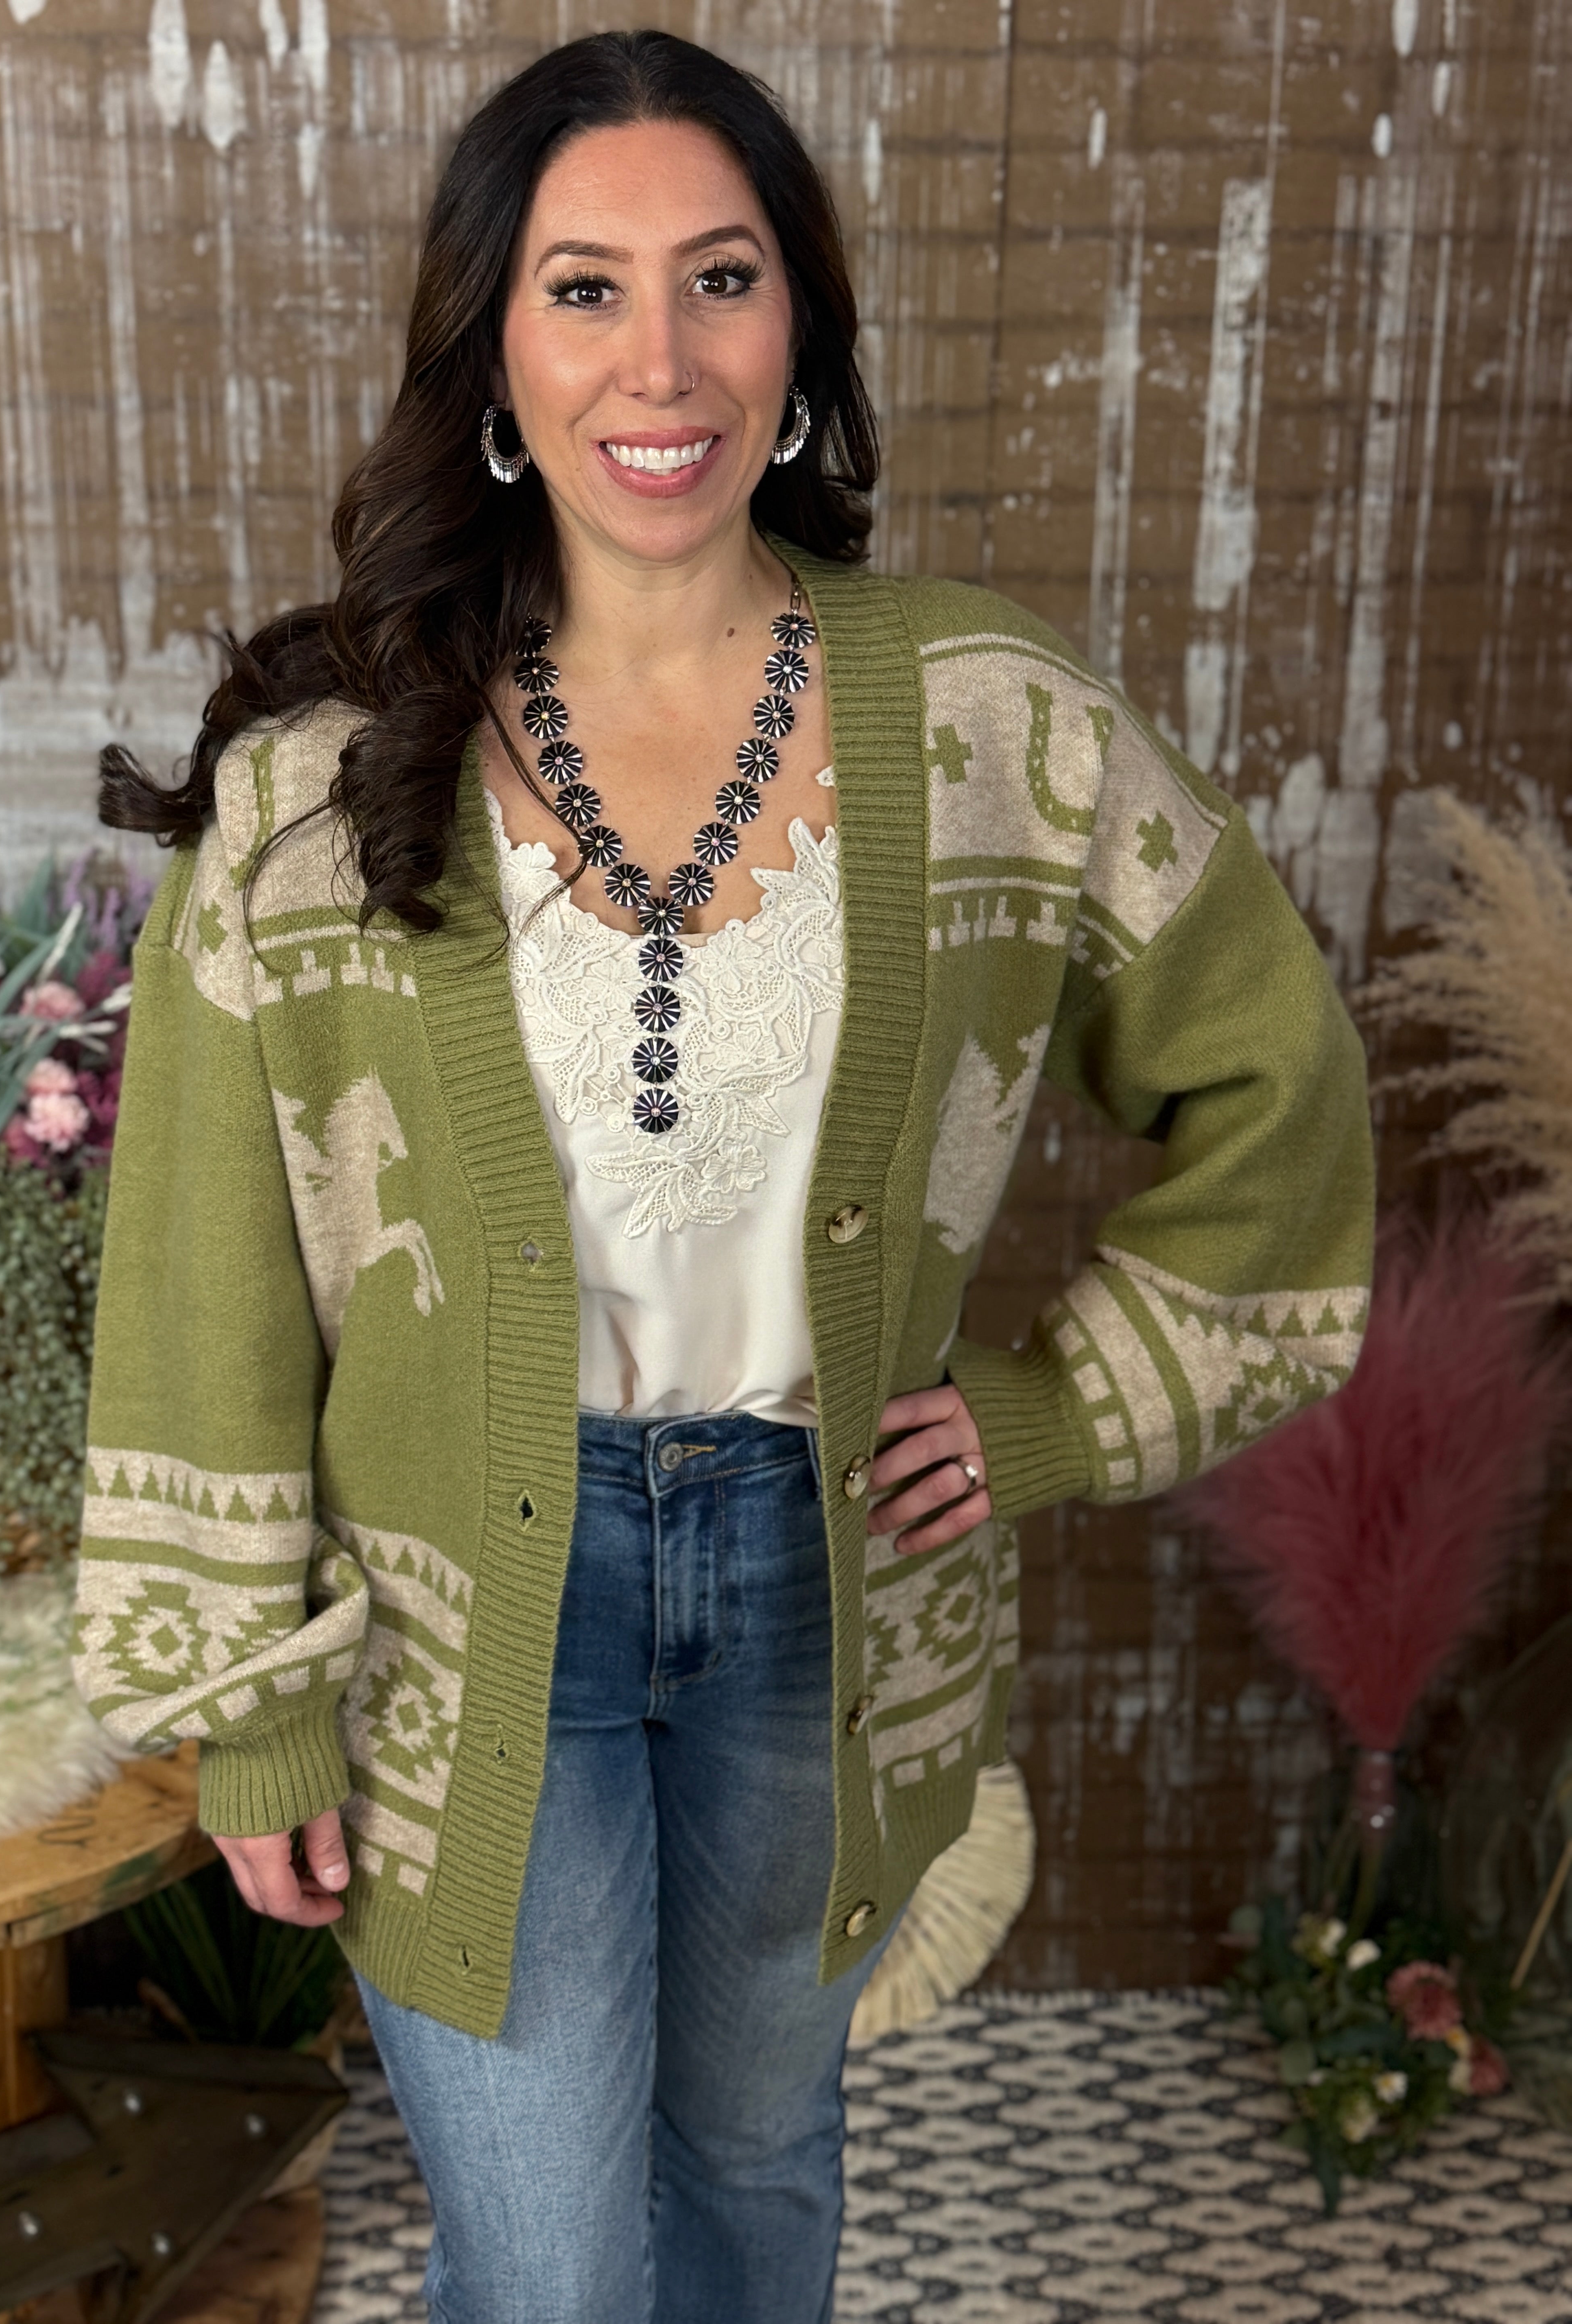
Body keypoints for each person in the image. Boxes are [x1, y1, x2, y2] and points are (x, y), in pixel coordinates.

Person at [74, 29, 1373, 2324]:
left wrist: (1060, 1408)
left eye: (722, 277)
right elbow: (204, 1275)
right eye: (585, 288)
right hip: (465, 1619)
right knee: (557, 2273)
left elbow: (1279, 1081)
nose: (658, 359)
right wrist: (254, 1700)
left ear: (801, 329)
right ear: (494, 351)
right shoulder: (319, 788)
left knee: (761, 2182)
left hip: (825, 1579)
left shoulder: (991, 726)